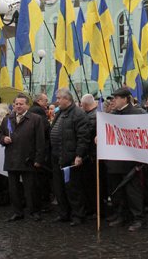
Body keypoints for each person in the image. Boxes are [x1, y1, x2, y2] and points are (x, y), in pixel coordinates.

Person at [0, 94, 45, 222]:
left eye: (21, 104)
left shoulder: (36, 119)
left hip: (28, 159)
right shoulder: (7, 119)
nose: (18, 106)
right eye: (16, 104)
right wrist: (3, 139)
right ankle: (17, 212)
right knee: (14, 189)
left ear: (27, 105)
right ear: (13, 106)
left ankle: (34, 211)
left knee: (31, 189)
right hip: (12, 159)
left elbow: (40, 141)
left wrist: (38, 159)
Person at [105, 87, 145, 231]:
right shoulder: (112, 114)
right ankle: (121, 215)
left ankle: (138, 218)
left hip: (132, 160)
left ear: (125, 99)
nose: (113, 100)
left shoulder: (138, 113)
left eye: (116, 98)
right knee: (118, 190)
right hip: (115, 159)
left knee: (133, 191)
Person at [50, 88, 90, 226]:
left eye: (59, 98)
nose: (57, 101)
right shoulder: (60, 112)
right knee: (59, 188)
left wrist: (79, 154)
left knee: (73, 188)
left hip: (70, 158)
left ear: (67, 99)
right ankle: (64, 213)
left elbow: (83, 137)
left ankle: (78, 215)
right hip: (57, 156)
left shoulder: (78, 114)